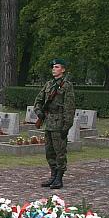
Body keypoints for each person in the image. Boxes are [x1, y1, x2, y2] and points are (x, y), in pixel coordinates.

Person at [33, 58, 76, 189]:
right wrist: (39, 112)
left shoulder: (66, 85)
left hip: (59, 122)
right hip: (49, 122)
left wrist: (66, 126)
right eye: (53, 67)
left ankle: (59, 178)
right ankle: (53, 175)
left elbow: (70, 107)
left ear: (63, 69)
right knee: (49, 151)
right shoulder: (48, 84)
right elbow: (38, 100)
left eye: (56, 67)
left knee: (60, 152)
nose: (54, 69)